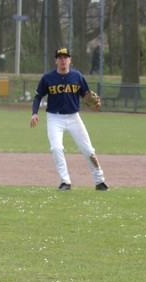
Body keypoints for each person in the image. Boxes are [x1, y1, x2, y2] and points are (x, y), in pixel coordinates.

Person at [29, 47, 108, 191]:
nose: (63, 60)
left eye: (65, 57)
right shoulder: (48, 78)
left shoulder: (77, 76)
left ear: (70, 60)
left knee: (88, 150)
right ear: (56, 60)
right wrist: (35, 113)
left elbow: (86, 95)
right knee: (56, 148)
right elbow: (38, 96)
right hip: (54, 118)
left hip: (74, 118)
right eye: (60, 57)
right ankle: (65, 181)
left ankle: (100, 181)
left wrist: (92, 101)